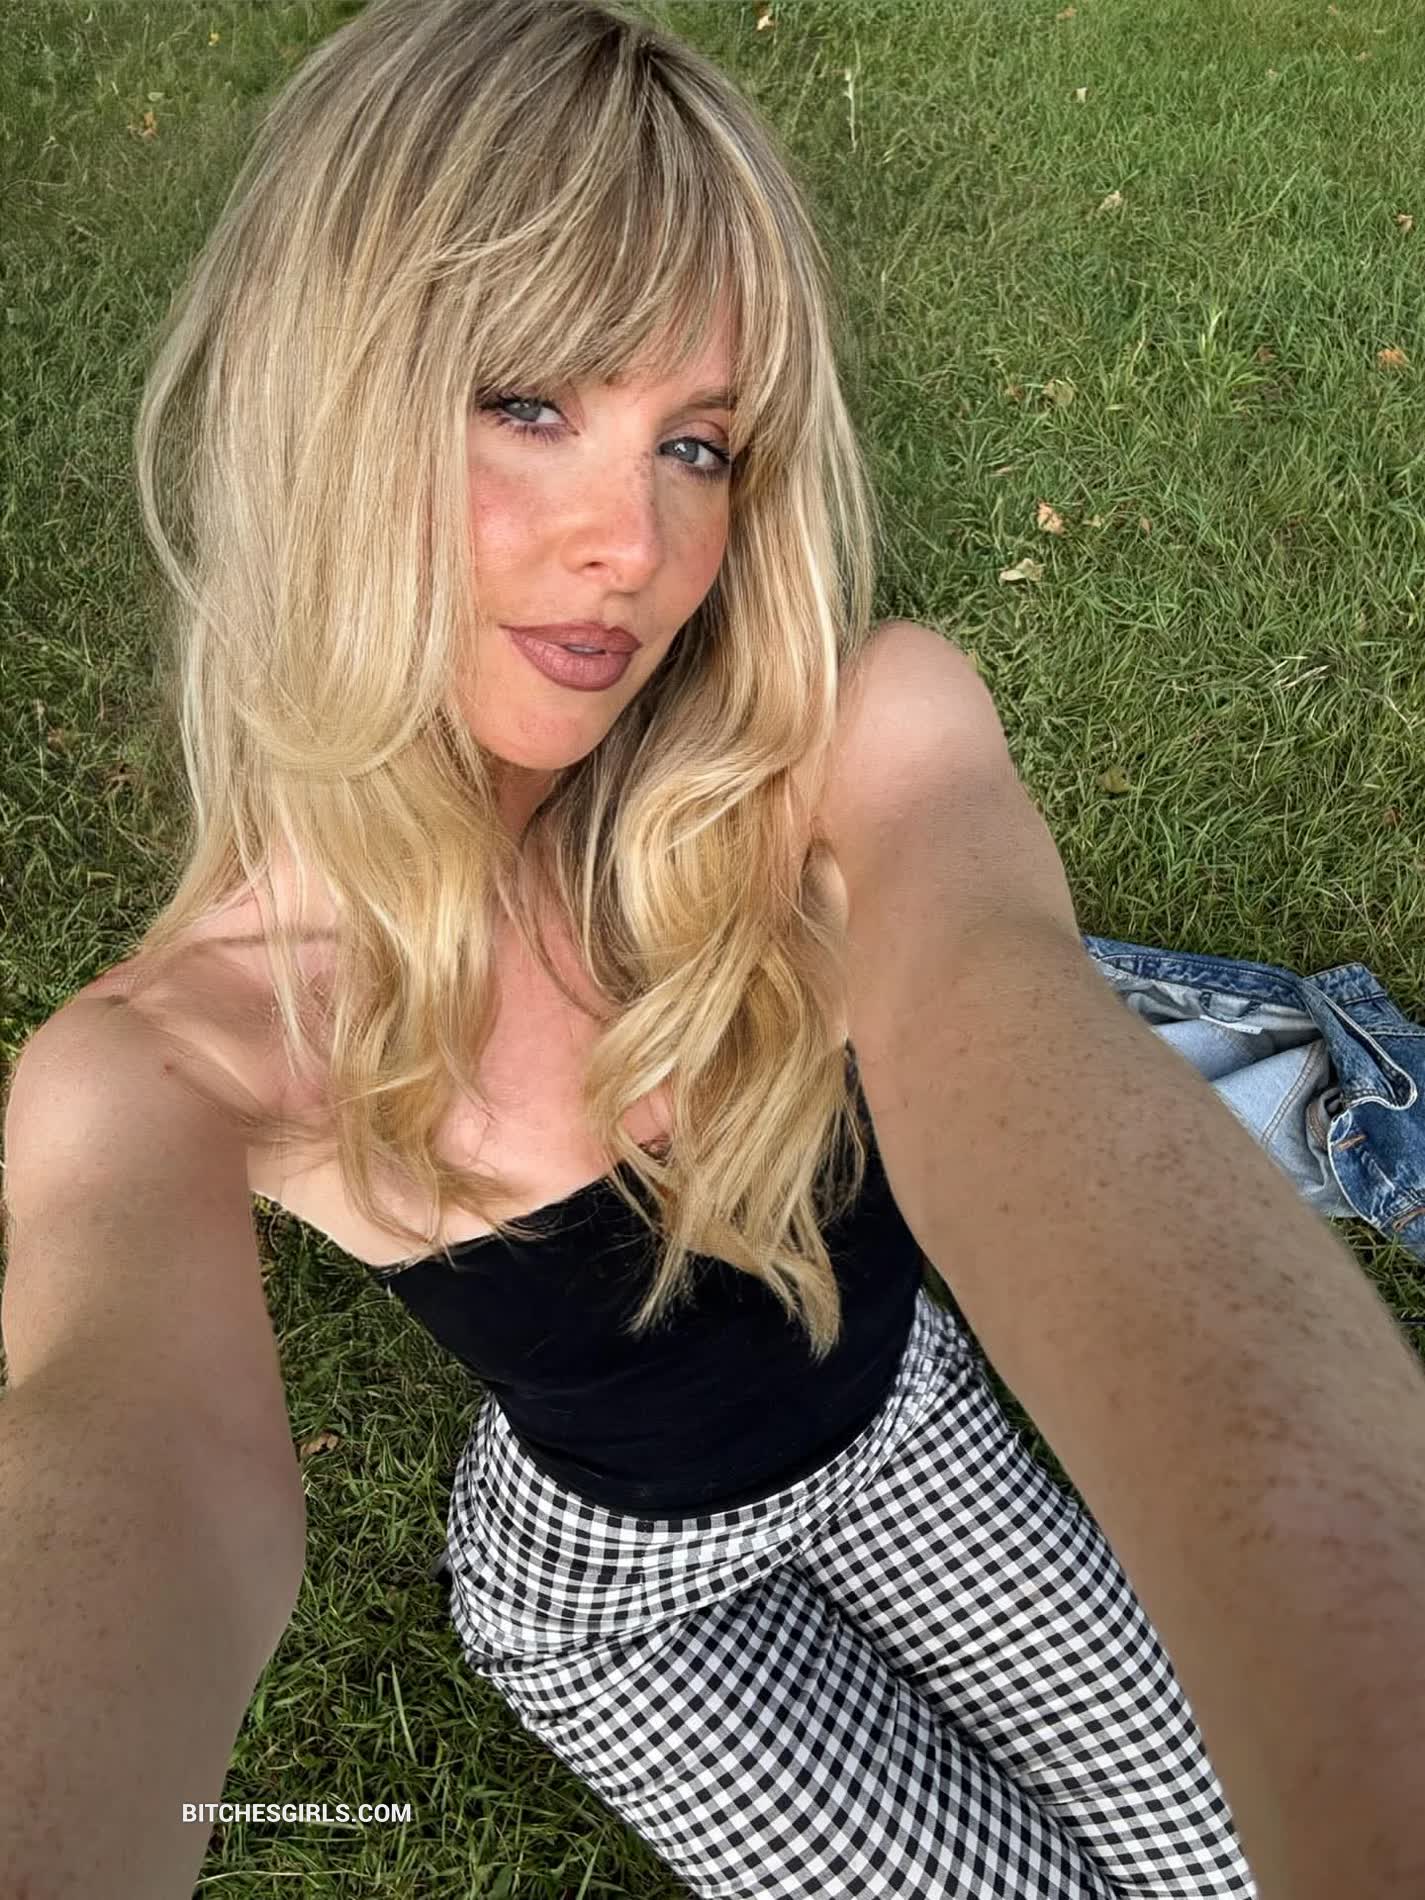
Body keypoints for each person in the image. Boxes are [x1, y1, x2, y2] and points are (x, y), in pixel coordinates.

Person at [4, 3, 1425, 1896]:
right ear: (317, 400)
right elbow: (129, 1473)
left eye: (698, 442)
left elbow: (1018, 1032)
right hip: (624, 1596)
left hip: (904, 1419)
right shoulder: (176, 1056)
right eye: (528, 403)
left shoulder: (846, 749)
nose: (635, 541)